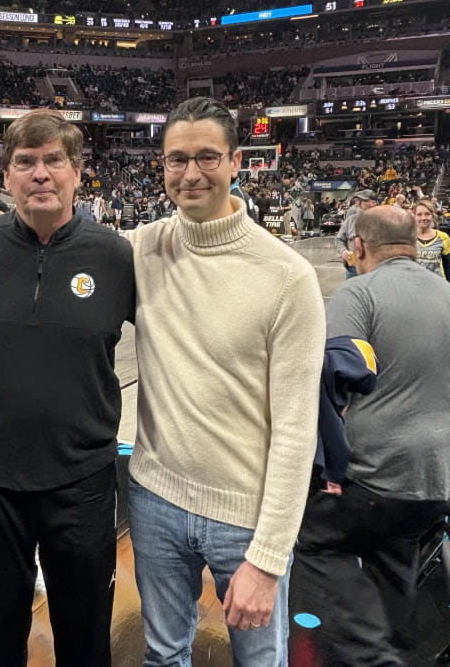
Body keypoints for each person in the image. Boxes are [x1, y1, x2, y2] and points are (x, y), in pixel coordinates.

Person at [126, 98, 325, 666]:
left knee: (261, 661)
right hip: (154, 498)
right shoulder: (144, 248)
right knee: (163, 655)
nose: (190, 174)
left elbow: (295, 431)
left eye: (207, 157)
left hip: (246, 515)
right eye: (176, 159)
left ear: (238, 161)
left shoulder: (287, 276)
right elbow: (62, 243)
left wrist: (268, 557)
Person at [0, 108, 135, 667]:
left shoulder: (115, 255)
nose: (40, 174)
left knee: (83, 632)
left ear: (78, 171)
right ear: (5, 177)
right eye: (24, 162)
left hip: (80, 480)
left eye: (53, 160)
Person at [294, 206, 450, 666]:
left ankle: (365, 652)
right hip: (435, 481)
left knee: (315, 542)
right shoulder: (446, 292)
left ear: (358, 247)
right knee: (394, 559)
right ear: (417, 243)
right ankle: (400, 650)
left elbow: (335, 383)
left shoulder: (358, 295)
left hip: (375, 476)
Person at [336, 189, 377, 278]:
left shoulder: (381, 221)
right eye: (358, 200)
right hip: (352, 269)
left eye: (363, 200)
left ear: (373, 203)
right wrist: (343, 251)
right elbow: (339, 239)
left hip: (374, 269)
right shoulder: (350, 220)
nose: (358, 203)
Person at [414, 199, 450, 280]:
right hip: (414, 285)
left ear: (432, 216)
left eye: (427, 214)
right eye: (419, 214)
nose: (423, 218)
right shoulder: (408, 238)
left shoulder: (443, 237)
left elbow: (448, 267)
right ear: (414, 216)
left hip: (438, 285)